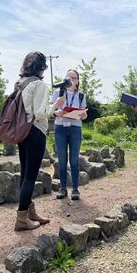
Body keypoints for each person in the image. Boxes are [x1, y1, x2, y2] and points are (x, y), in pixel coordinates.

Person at [14, 51, 65, 231]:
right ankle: (21, 218)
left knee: (24, 174)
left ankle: (30, 213)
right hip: (35, 132)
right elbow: (40, 113)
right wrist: (56, 106)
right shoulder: (39, 84)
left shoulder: (20, 83)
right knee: (30, 177)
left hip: (21, 131)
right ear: (41, 67)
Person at [52, 69, 88, 200]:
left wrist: (83, 114)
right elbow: (52, 109)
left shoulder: (81, 95)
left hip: (75, 129)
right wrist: (57, 113)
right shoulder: (58, 92)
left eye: (74, 78)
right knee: (62, 159)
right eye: (69, 77)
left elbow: (84, 115)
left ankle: (75, 189)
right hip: (60, 127)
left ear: (78, 80)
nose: (71, 80)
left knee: (74, 159)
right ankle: (62, 188)